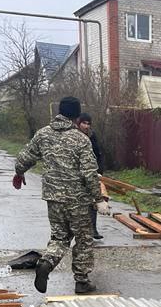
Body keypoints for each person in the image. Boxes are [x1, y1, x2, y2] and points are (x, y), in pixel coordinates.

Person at [13, 96, 109, 295]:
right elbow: (89, 172)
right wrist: (99, 199)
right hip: (78, 201)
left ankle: (47, 262)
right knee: (83, 240)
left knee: (59, 237)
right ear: (76, 116)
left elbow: (24, 158)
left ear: (59, 112)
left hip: (53, 199)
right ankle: (82, 281)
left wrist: (19, 172)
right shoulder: (81, 139)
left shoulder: (43, 134)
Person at [77, 113, 105, 241]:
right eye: (84, 123)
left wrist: (99, 171)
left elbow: (98, 154)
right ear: (79, 123)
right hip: (77, 175)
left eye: (88, 123)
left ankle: (93, 229)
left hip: (92, 173)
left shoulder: (92, 136)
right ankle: (79, 230)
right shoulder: (73, 136)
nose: (86, 126)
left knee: (93, 201)